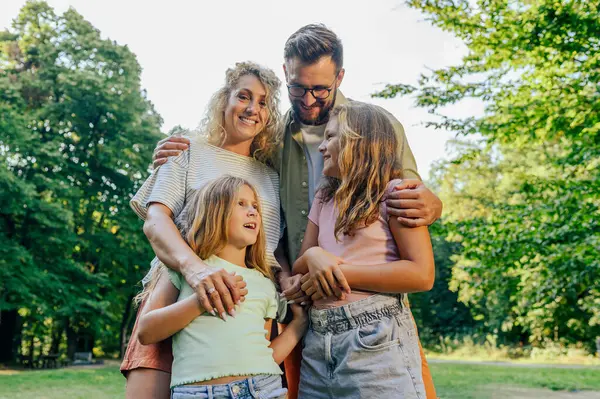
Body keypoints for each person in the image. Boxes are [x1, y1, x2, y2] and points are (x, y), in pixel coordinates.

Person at [151, 25, 442, 398]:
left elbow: (410, 202)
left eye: (320, 89)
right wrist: (179, 152)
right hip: (296, 302)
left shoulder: (374, 127)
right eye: (297, 88)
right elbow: (229, 163)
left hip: (374, 314)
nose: (308, 100)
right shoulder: (271, 137)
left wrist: (434, 203)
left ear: (340, 76)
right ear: (286, 74)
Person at [120, 61, 300, 399]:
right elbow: (156, 221)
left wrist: (286, 280)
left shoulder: (271, 175)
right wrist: (197, 272)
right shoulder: (187, 151)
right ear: (224, 101)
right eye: (243, 96)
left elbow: (272, 248)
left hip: (244, 308)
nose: (252, 109)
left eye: (263, 102)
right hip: (177, 294)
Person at [293, 102, 435, 398]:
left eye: (331, 137)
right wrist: (314, 256)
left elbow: (421, 275)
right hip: (318, 344)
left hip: (376, 340)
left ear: (360, 141)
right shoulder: (323, 198)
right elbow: (301, 265)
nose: (322, 147)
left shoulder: (396, 194)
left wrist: (336, 273)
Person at [136, 176, 307, 399]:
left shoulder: (265, 283)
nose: (253, 211)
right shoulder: (187, 271)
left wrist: (298, 326)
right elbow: (146, 331)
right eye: (241, 203)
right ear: (214, 211)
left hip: (263, 389)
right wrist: (200, 301)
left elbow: (264, 355)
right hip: (196, 393)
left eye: (255, 206)